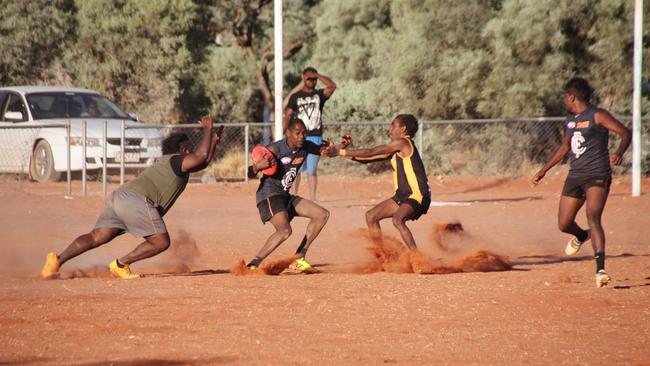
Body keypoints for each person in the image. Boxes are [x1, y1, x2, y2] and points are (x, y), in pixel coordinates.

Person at [40, 116, 223, 279]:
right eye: (190, 147)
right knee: (160, 241)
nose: (193, 149)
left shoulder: (172, 163)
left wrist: (214, 140)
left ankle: (56, 260)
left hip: (120, 197)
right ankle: (120, 264)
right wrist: (208, 129)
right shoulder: (176, 161)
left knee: (96, 237)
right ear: (182, 149)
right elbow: (201, 156)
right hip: (136, 200)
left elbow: (203, 161)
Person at [532, 77, 631, 288]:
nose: (564, 101)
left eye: (565, 97)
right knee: (564, 224)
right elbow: (565, 147)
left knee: (593, 215)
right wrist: (543, 170)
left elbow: (624, 132)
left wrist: (619, 152)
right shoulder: (569, 118)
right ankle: (582, 235)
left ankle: (601, 270)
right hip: (575, 175)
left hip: (597, 173)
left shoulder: (597, 115)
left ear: (571, 96)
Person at [246, 118, 346, 272]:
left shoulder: (305, 146)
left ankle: (299, 257)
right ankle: (253, 264)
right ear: (288, 133)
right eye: (297, 133)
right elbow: (249, 173)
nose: (301, 136)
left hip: (285, 195)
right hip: (269, 195)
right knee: (285, 231)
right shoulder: (275, 149)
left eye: (304, 133)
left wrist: (340, 147)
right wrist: (257, 166)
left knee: (322, 214)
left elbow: (325, 151)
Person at [329, 114, 431, 251]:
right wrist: (338, 153)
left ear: (403, 129)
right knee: (371, 216)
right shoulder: (396, 149)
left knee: (397, 220)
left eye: (393, 126)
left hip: (417, 195)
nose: (389, 130)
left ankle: (418, 257)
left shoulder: (403, 143)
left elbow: (371, 151)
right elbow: (367, 159)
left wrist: (340, 151)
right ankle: (383, 255)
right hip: (403, 196)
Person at [283, 67, 336, 201]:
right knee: (297, 168)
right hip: (299, 137)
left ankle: (312, 198)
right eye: (309, 78)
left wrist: (318, 74)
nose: (311, 81)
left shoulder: (319, 95)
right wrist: (286, 133)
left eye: (314, 79)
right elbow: (288, 114)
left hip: (315, 136)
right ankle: (293, 196)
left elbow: (332, 86)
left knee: (311, 170)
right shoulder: (295, 97)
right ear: (303, 77)